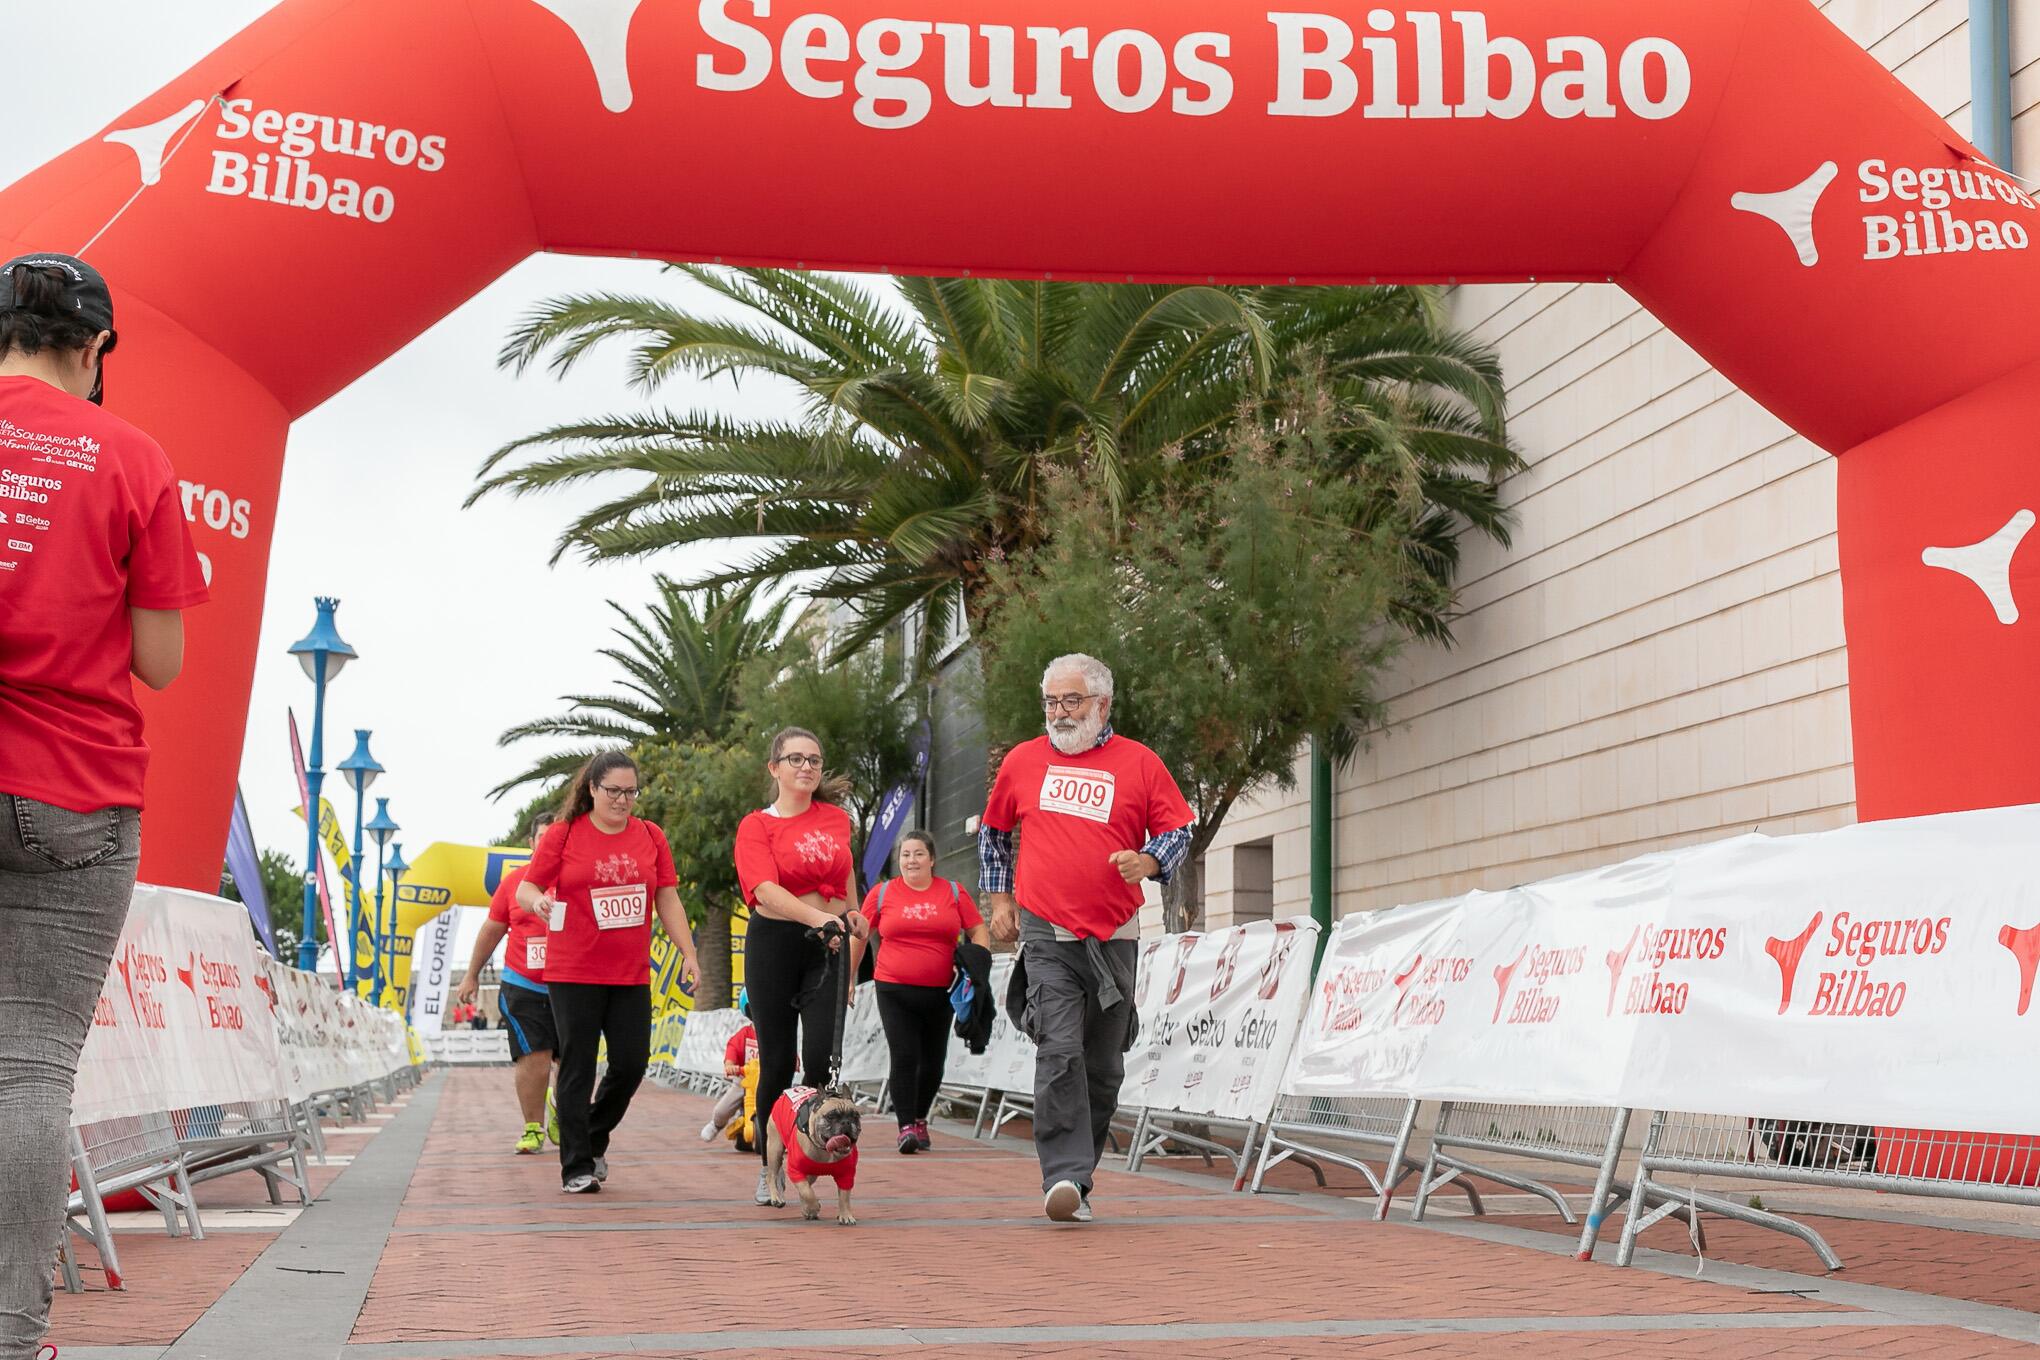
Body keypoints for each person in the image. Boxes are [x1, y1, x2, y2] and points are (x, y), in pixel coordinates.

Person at [0, 253, 207, 1357]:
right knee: (28, 1063)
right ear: (94, 348)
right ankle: (11, 1329)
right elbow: (162, 661)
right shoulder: (130, 455)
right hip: (68, 787)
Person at [980, 654, 1193, 1224]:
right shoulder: (1024, 761)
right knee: (1058, 1052)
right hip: (1048, 936)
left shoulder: (1141, 763)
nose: (1059, 713)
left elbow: (1179, 829)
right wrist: (1001, 902)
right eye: (1051, 702)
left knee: (1103, 1067)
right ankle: (1062, 1174)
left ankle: (1081, 1172)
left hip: (1116, 940)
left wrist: (1149, 860)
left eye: (1070, 701)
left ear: (1102, 704)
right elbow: (995, 834)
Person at [520, 752, 698, 1193]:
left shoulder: (650, 836)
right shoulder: (564, 834)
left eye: (630, 791)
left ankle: (593, 1134)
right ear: (592, 789)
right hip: (573, 970)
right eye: (613, 791)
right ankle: (576, 1166)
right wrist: (538, 902)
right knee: (578, 1064)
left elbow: (668, 898)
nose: (622, 800)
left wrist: (689, 953)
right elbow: (527, 886)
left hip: (630, 973)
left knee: (632, 1064)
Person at [733, 726, 868, 1207]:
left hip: (827, 947)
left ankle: (808, 1156)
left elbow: (846, 877)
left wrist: (853, 920)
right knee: (776, 1060)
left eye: (814, 759)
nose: (806, 767)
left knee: (817, 1060)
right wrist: (822, 919)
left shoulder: (835, 819)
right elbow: (764, 890)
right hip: (774, 943)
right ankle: (767, 1169)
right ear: (774, 768)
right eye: (795, 759)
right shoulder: (757, 825)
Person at [853, 830, 988, 1154]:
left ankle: (920, 1118)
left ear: (932, 859)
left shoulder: (953, 893)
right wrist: (848, 979)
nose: (911, 860)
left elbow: (977, 928)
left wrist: (976, 964)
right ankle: (905, 1127)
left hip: (942, 992)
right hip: (893, 989)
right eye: (905, 855)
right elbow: (860, 935)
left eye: (918, 854)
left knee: (933, 1062)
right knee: (904, 1056)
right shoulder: (882, 894)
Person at [458, 811, 559, 1154]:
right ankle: (533, 1127)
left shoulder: (578, 879)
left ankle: (563, 1111)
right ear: (532, 844)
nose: (550, 843)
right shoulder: (514, 884)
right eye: (544, 838)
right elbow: (492, 930)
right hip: (524, 984)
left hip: (573, 984)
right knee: (535, 1055)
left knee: (575, 1059)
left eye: (557, 836)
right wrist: (471, 975)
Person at [699, 995, 759, 1149]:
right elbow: (732, 1049)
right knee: (722, 1109)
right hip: (744, 1081)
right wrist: (730, 1064)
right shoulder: (744, 1034)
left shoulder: (775, 1034)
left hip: (769, 1079)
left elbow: (787, 1052)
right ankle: (716, 1125)